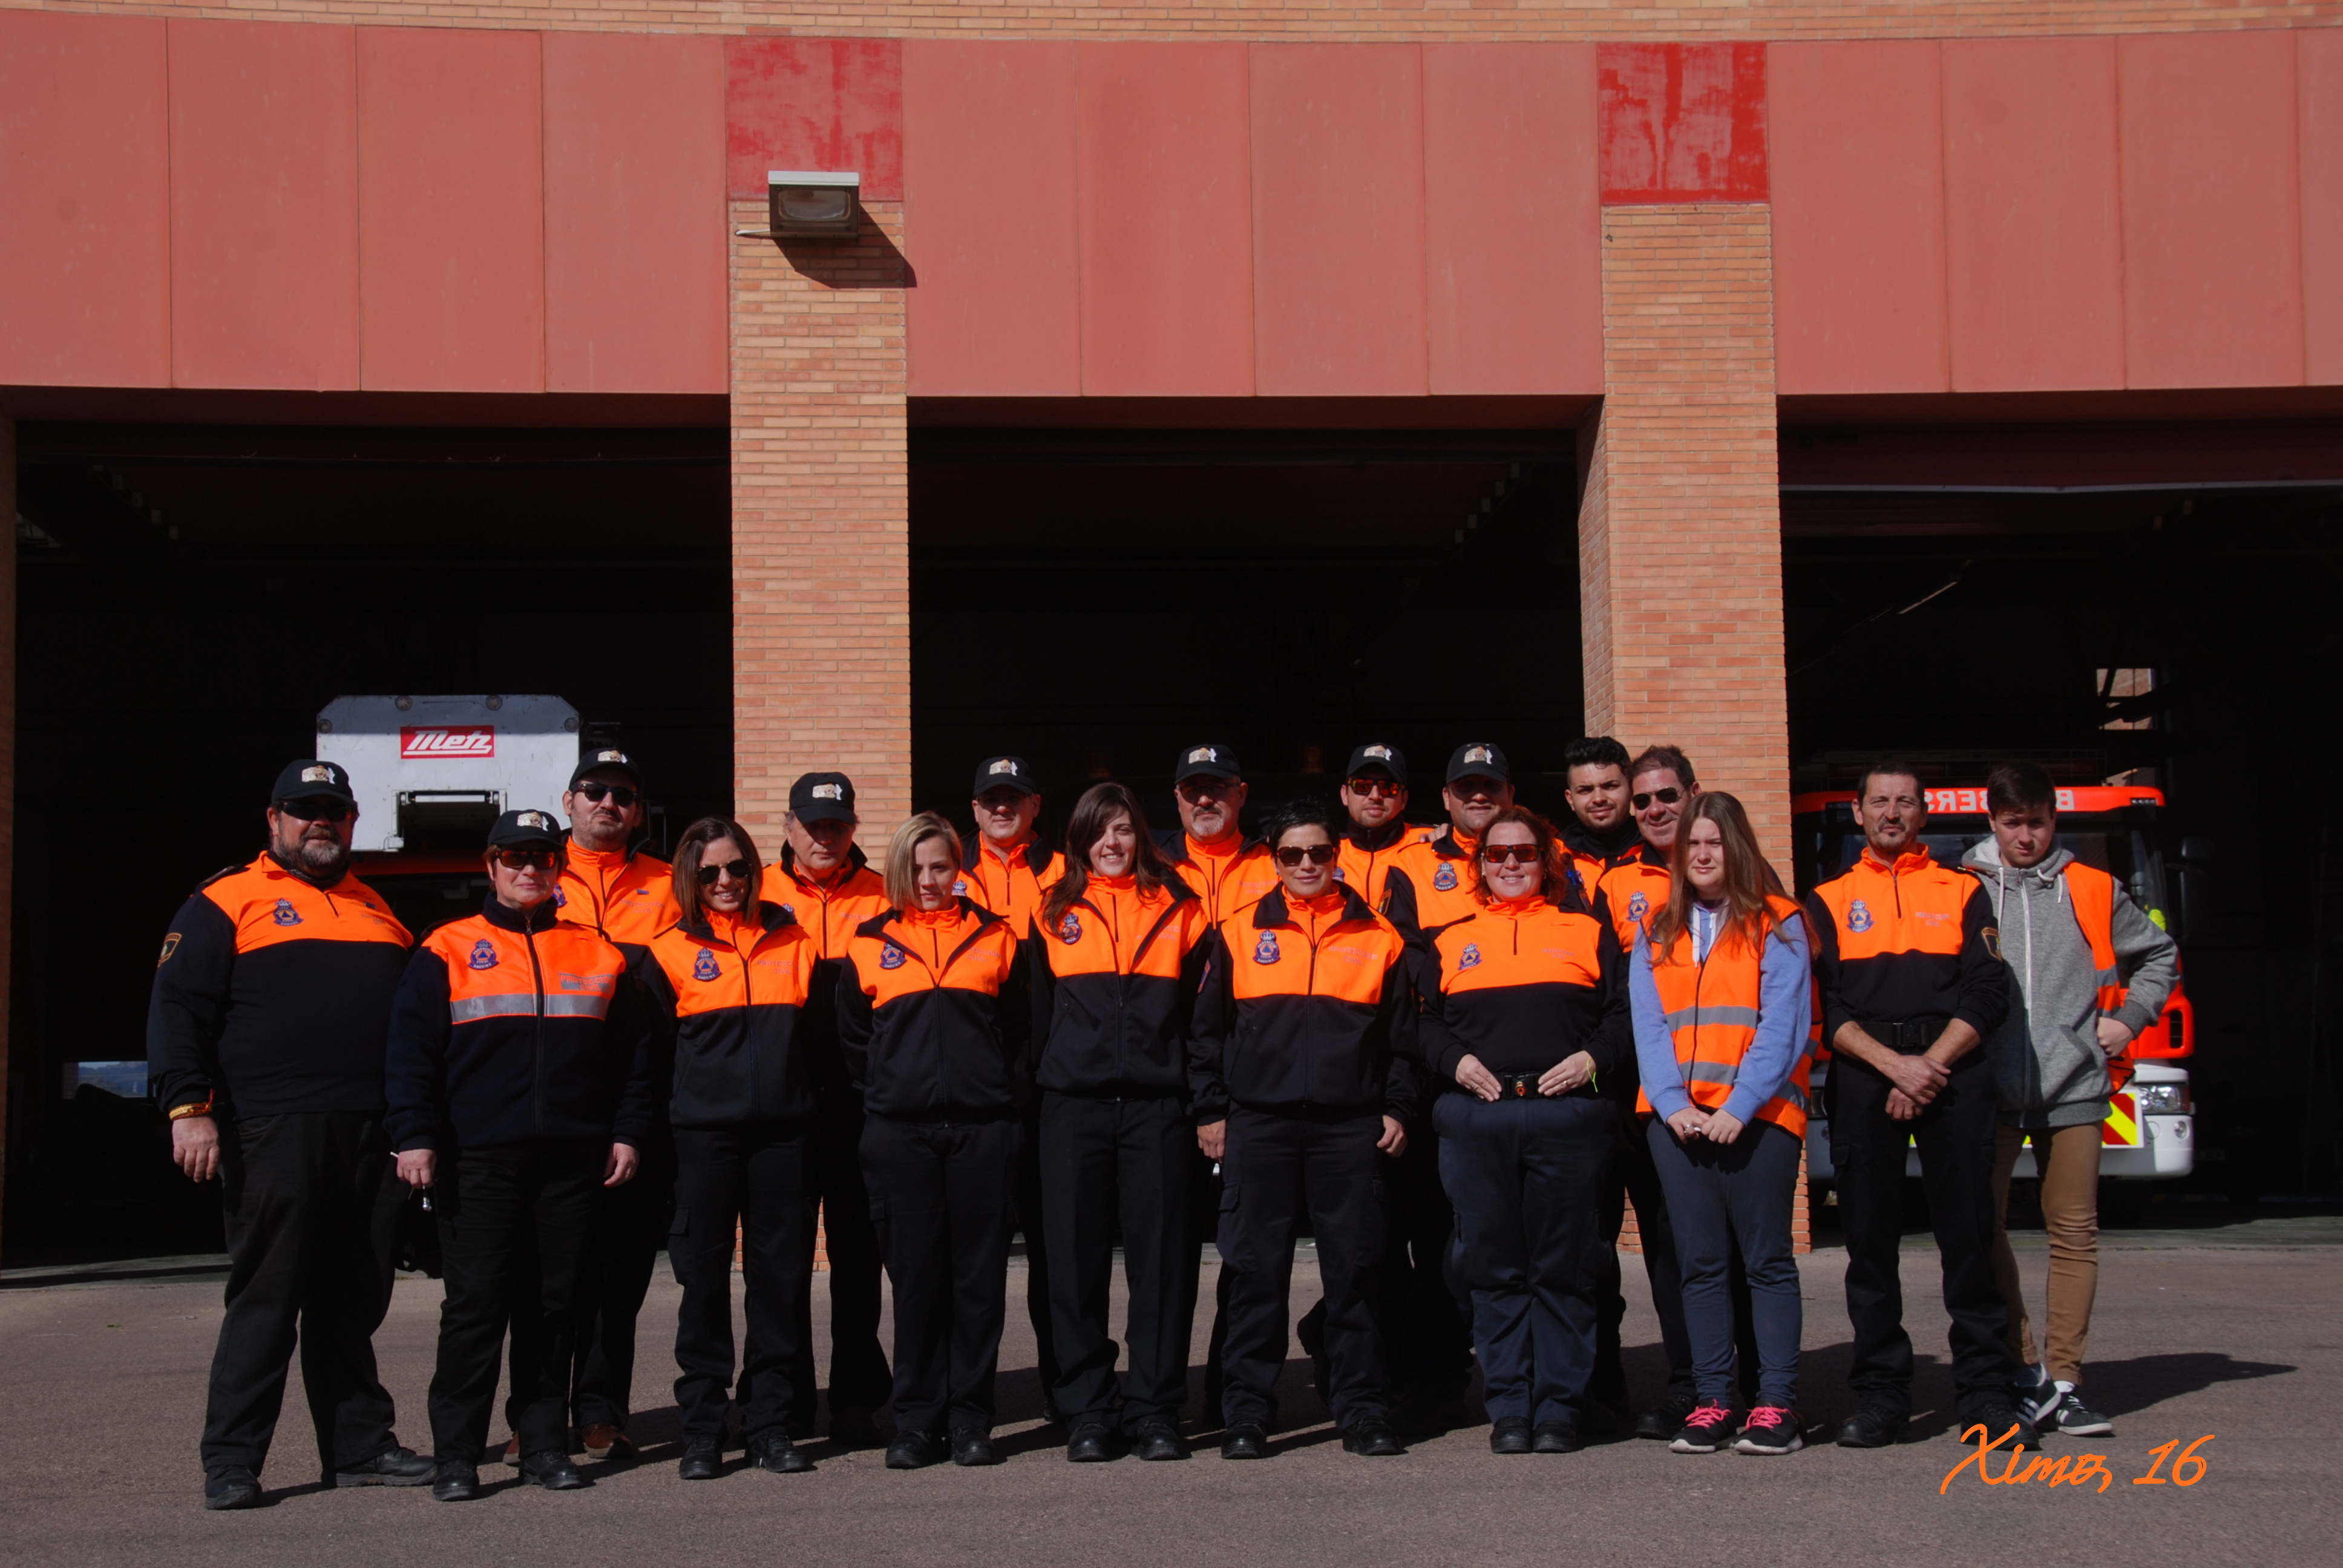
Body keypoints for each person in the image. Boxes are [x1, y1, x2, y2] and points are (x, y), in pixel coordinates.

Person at [148, 759, 433, 1510]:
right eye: (305, 810)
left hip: (372, 1132)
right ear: (272, 820)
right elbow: (177, 1010)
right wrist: (189, 1108)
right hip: (275, 1127)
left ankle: (360, 1445)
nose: (321, 823)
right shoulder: (223, 899)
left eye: (335, 811)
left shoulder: (376, 905)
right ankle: (233, 1461)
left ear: (351, 823)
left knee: (353, 1296)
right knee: (268, 1299)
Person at [385, 810, 655, 1502]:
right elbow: (410, 1053)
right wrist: (413, 1135)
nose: (528, 869)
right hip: (478, 1160)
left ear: (558, 869)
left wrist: (626, 1132)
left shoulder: (599, 953)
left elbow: (634, 1061)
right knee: (475, 1306)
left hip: (571, 1162)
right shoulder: (445, 948)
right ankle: (456, 1456)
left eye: (541, 858)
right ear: (490, 865)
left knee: (552, 1306)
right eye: (515, 857)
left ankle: (541, 1445)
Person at [1806, 763, 2026, 1448]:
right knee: (1868, 1246)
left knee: (1968, 1238)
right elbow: (1822, 1006)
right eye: (1879, 802)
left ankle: (1987, 1396)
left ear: (1923, 815)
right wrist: (1893, 1066)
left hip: (1951, 1073)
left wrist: (1928, 1065)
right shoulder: (1824, 900)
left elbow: (1987, 992)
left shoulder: (1962, 892)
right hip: (1865, 1074)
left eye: (1905, 803)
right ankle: (1880, 1397)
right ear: (1857, 812)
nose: (1891, 813)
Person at [1193, 797, 1419, 1460]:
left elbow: (1401, 1043)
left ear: (1335, 856)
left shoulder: (1378, 936)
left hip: (1346, 1130)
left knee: (1355, 1274)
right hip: (1258, 1125)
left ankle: (1361, 1410)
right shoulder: (1237, 932)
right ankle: (1246, 1414)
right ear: (1274, 859)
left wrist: (1397, 1108)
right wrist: (1210, 1110)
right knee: (1253, 1273)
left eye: (1318, 852)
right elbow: (1205, 1034)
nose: (1305, 864)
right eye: (1291, 854)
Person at [1964, 762, 2177, 1439]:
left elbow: (2159, 955)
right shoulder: (1965, 887)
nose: (2024, 835)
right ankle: (2023, 1366)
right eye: (2011, 822)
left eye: (2036, 822)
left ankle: (2065, 1380)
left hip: (2078, 1084)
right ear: (1991, 822)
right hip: (1988, 1087)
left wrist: (2130, 1018)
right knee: (1981, 1226)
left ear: (2053, 820)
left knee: (2074, 1234)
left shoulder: (2091, 887)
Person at [1419, 805, 1628, 1455]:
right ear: (1479, 866)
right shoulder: (1448, 937)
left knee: (1563, 1267)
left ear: (1547, 862)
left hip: (1565, 1119)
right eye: (1497, 854)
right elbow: (1418, 1026)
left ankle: (1560, 1407)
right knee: (1494, 1268)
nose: (1510, 864)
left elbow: (1626, 1015)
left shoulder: (1587, 931)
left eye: (1524, 853)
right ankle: (1509, 1406)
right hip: (1478, 1120)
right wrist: (1455, 1062)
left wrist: (1594, 1059)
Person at [494, 746, 680, 1467]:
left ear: (638, 811)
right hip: (554, 1106)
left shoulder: (671, 884)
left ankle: (603, 1412)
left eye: (624, 795)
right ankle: (532, 1416)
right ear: (569, 801)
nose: (609, 803)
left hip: (640, 1103)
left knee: (618, 1271)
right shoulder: (536, 873)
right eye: (595, 791)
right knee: (541, 1275)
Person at [1027, 782, 1212, 1463]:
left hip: (1156, 1110)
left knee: (1162, 1265)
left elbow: (1203, 1026)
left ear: (1142, 837)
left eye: (1123, 831)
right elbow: (1033, 1021)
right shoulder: (1051, 913)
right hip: (1070, 1110)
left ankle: (1155, 1409)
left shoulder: (1182, 911)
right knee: (1073, 1268)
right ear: (1078, 841)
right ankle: (1086, 1411)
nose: (1111, 844)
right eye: (1098, 832)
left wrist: (1204, 1105)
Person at [839, 812, 1029, 1469]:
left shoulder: (997, 939)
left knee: (976, 1283)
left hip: (982, 1134)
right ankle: (916, 1421)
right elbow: (854, 1043)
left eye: (941, 867)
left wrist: (995, 1103)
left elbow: (1020, 1037)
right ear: (899, 870)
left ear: (960, 869)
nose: (928, 880)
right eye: (916, 868)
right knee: (917, 1282)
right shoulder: (868, 943)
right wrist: (894, 1097)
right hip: (902, 1137)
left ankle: (971, 1419)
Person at [637, 817, 822, 1480]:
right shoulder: (666, 952)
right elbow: (647, 1063)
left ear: (753, 870)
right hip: (702, 1142)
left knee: (779, 1285)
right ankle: (702, 1431)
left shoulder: (794, 940)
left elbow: (820, 1049)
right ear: (689, 877)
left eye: (736, 869)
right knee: (704, 1287)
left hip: (783, 1141)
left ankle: (771, 1424)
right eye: (709, 872)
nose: (724, 882)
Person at [1630, 792, 1814, 1456]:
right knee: (1700, 1265)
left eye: (1713, 842)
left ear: (1735, 848)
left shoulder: (1780, 923)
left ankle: (1775, 1406)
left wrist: (1738, 1107)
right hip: (1675, 1121)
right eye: (1692, 845)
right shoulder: (1656, 930)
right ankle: (1712, 1402)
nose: (1702, 855)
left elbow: (1783, 1027)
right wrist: (1673, 1103)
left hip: (1759, 1119)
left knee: (1765, 1262)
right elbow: (1648, 1026)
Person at [1591, 743, 1754, 1439]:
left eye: (1666, 796)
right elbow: (1614, 1003)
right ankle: (1692, 1386)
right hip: (1647, 1103)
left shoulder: (1739, 882)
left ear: (1693, 794)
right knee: (1667, 1251)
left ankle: (1751, 1383)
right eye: (1643, 801)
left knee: (1738, 1251)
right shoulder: (1612, 883)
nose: (1654, 810)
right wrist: (1632, 1097)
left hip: (1731, 1100)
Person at [768, 771, 893, 1448]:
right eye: (812, 825)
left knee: (856, 1256)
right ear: (787, 827)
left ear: (852, 829)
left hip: (857, 1104)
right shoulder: (753, 891)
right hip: (781, 1104)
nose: (824, 837)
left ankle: (854, 1400)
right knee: (783, 1259)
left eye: (836, 825)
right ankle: (784, 1404)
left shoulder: (883, 896)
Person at [958, 753, 1064, 1420]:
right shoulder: (948, 874)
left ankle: (1064, 1386)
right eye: (990, 799)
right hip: (974, 1085)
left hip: (1046, 1081)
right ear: (973, 809)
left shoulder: (1064, 873)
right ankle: (969, 1394)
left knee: (1053, 1245)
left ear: (1034, 806)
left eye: (1014, 798)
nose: (1002, 808)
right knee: (975, 1251)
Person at [1384, 742, 1516, 947]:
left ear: (1511, 794)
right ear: (1446, 798)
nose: (1479, 796)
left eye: (1491, 785)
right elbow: (1405, 951)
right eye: (1466, 786)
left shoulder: (1548, 854)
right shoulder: (1411, 864)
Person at [1161, 742, 1280, 926]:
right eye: (1192, 790)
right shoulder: (1156, 867)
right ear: (1178, 799)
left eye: (1216, 787)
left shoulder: (1277, 859)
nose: (1204, 800)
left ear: (1241, 794)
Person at [1334, 743, 1428, 910]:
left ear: (1404, 799)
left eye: (1388, 787)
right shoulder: (1326, 851)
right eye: (1362, 786)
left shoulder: (1429, 843)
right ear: (1344, 795)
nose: (1375, 796)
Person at [1557, 736, 1643, 907]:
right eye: (1585, 790)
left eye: (1610, 786)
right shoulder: (1555, 858)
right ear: (1570, 799)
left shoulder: (1658, 851)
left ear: (1631, 788)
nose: (1598, 799)